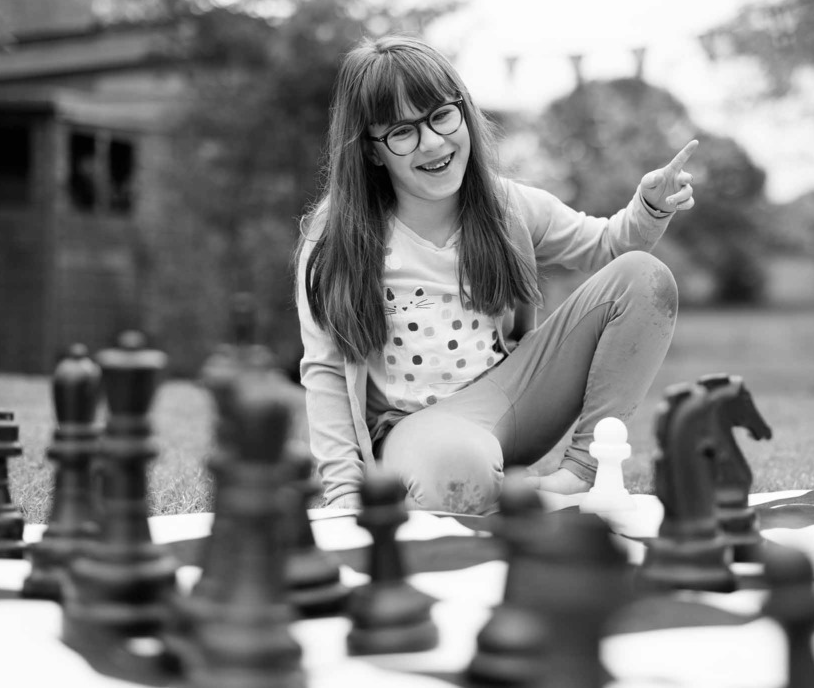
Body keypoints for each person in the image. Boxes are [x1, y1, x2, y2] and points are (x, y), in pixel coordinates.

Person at [295, 34, 696, 513]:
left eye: (442, 115)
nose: (433, 142)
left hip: (514, 396)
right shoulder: (338, 235)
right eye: (402, 132)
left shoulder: (507, 206)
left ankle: (579, 474)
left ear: (464, 112)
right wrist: (343, 494)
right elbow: (324, 369)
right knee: (458, 473)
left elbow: (609, 246)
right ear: (372, 151)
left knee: (642, 277)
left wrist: (649, 207)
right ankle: (500, 489)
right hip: (416, 429)